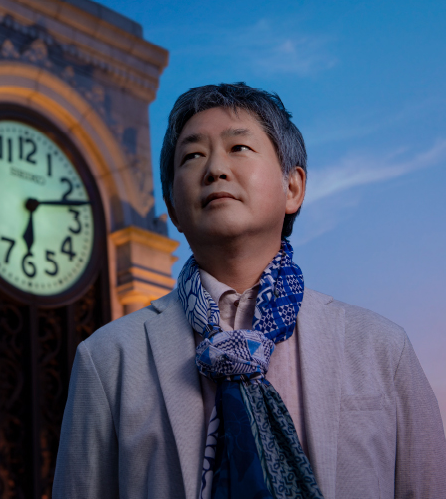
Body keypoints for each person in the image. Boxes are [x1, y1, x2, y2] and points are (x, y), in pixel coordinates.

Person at [52, 82, 446, 498]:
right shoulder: (109, 359)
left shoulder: (380, 348)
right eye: (192, 156)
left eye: (238, 148)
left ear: (292, 188)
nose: (215, 169)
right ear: (172, 208)